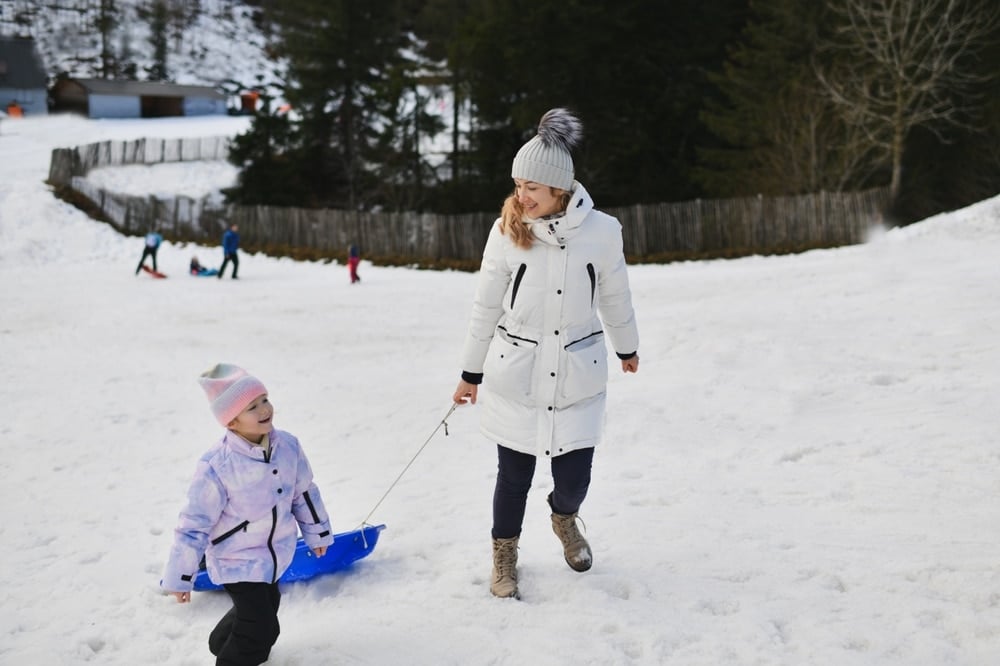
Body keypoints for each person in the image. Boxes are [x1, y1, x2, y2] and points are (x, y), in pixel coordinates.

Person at [451, 108, 640, 599]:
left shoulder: (602, 231)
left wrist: (627, 346)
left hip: (578, 372)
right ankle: (504, 553)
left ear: (560, 188)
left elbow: (615, 295)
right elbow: (485, 305)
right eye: (517, 184)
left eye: (532, 186)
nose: (522, 195)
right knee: (512, 477)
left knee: (575, 478)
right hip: (518, 373)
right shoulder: (506, 232)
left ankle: (564, 517)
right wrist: (470, 372)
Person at [161, 363, 334, 665]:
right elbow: (193, 525)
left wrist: (316, 531)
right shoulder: (217, 466)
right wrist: (182, 575)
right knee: (260, 628)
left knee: (267, 606)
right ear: (231, 422)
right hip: (235, 559)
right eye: (252, 407)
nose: (264, 409)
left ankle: (222, 641)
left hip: (275, 554)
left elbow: (304, 492)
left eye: (264, 399)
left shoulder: (288, 447)